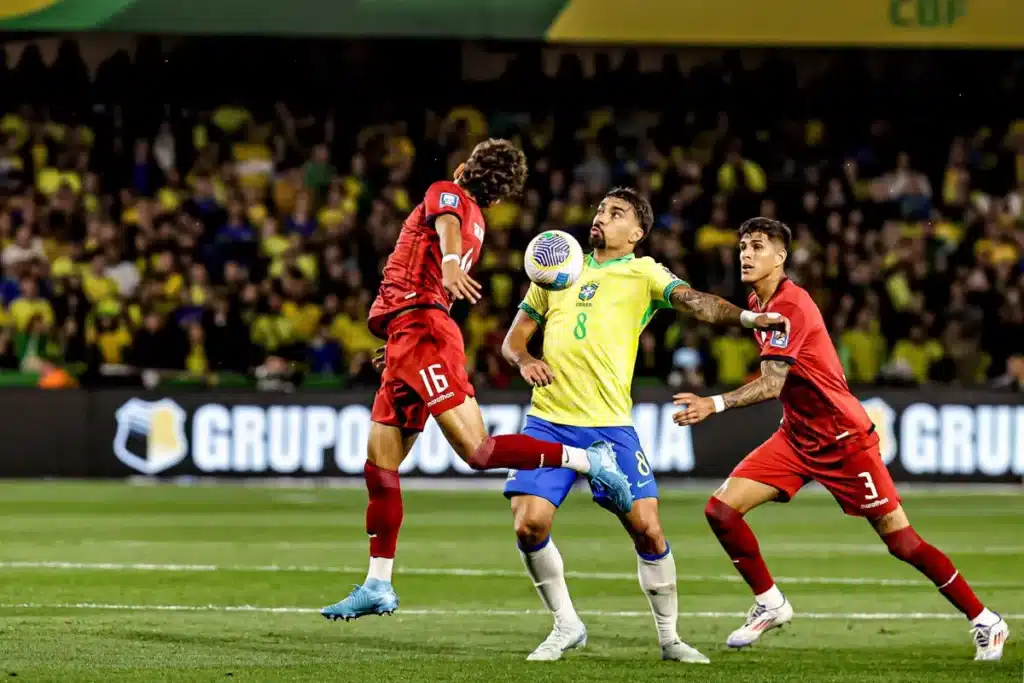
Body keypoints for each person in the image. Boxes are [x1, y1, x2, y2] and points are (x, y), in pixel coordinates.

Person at [321, 140, 637, 622]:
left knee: (479, 452)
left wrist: (447, 268)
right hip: (410, 334)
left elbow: (444, 227)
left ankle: (586, 459)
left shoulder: (446, 194)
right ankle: (377, 583)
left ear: (465, 168)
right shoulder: (480, 221)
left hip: (423, 332)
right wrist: (403, 332)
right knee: (380, 464)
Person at [672, 217, 1010, 662]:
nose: (746, 254)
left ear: (781, 256)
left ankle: (986, 621)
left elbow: (773, 384)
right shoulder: (757, 301)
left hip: (844, 441)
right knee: (720, 510)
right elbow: (719, 312)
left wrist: (712, 404)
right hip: (796, 437)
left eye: (757, 246)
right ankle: (770, 603)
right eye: (742, 247)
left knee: (903, 543)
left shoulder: (792, 306)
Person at [499, 189, 789, 663]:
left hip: (609, 426)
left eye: (615, 214)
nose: (600, 217)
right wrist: (526, 359)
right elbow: (514, 342)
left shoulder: (645, 272)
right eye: (599, 210)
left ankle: (670, 638)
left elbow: (695, 302)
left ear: (636, 233)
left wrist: (748, 317)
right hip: (548, 420)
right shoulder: (558, 265)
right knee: (529, 525)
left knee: (648, 531)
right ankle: (565, 624)